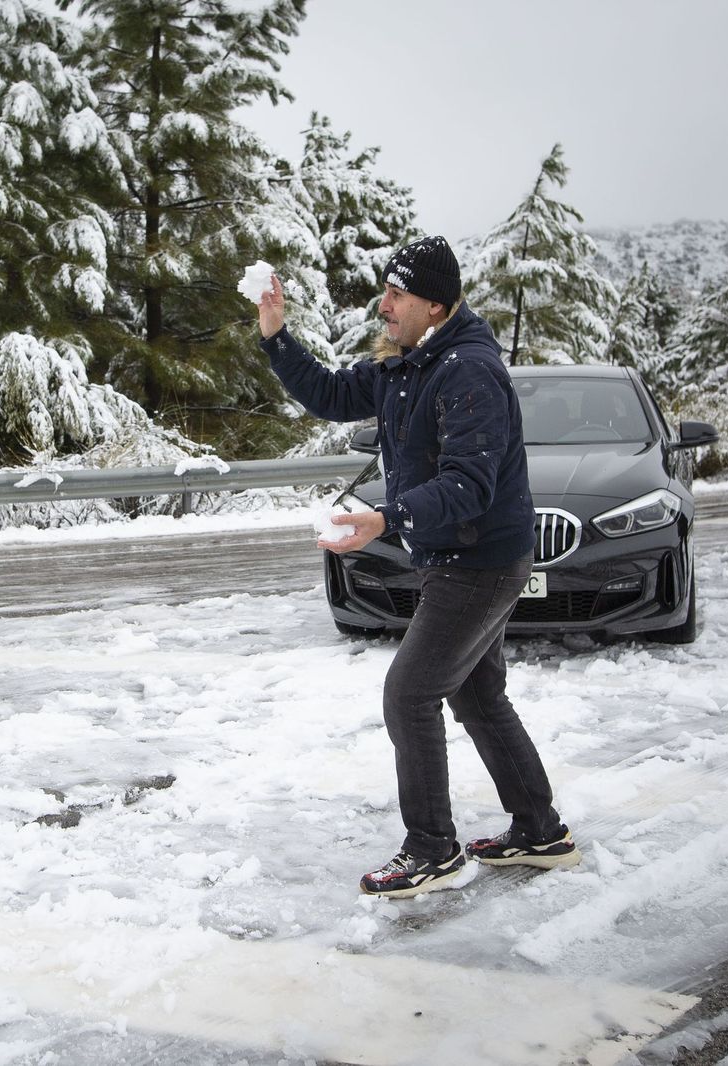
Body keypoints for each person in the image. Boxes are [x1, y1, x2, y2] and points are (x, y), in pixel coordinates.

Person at [255, 236, 580, 898]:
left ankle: (432, 846)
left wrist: (386, 517)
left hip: (478, 560)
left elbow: (468, 484)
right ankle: (539, 829)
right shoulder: (409, 365)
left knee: (410, 693)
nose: (384, 305)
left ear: (434, 305)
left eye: (396, 295)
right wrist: (275, 334)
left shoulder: (466, 372)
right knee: (478, 693)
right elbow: (329, 392)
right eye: (386, 292)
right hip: (460, 556)